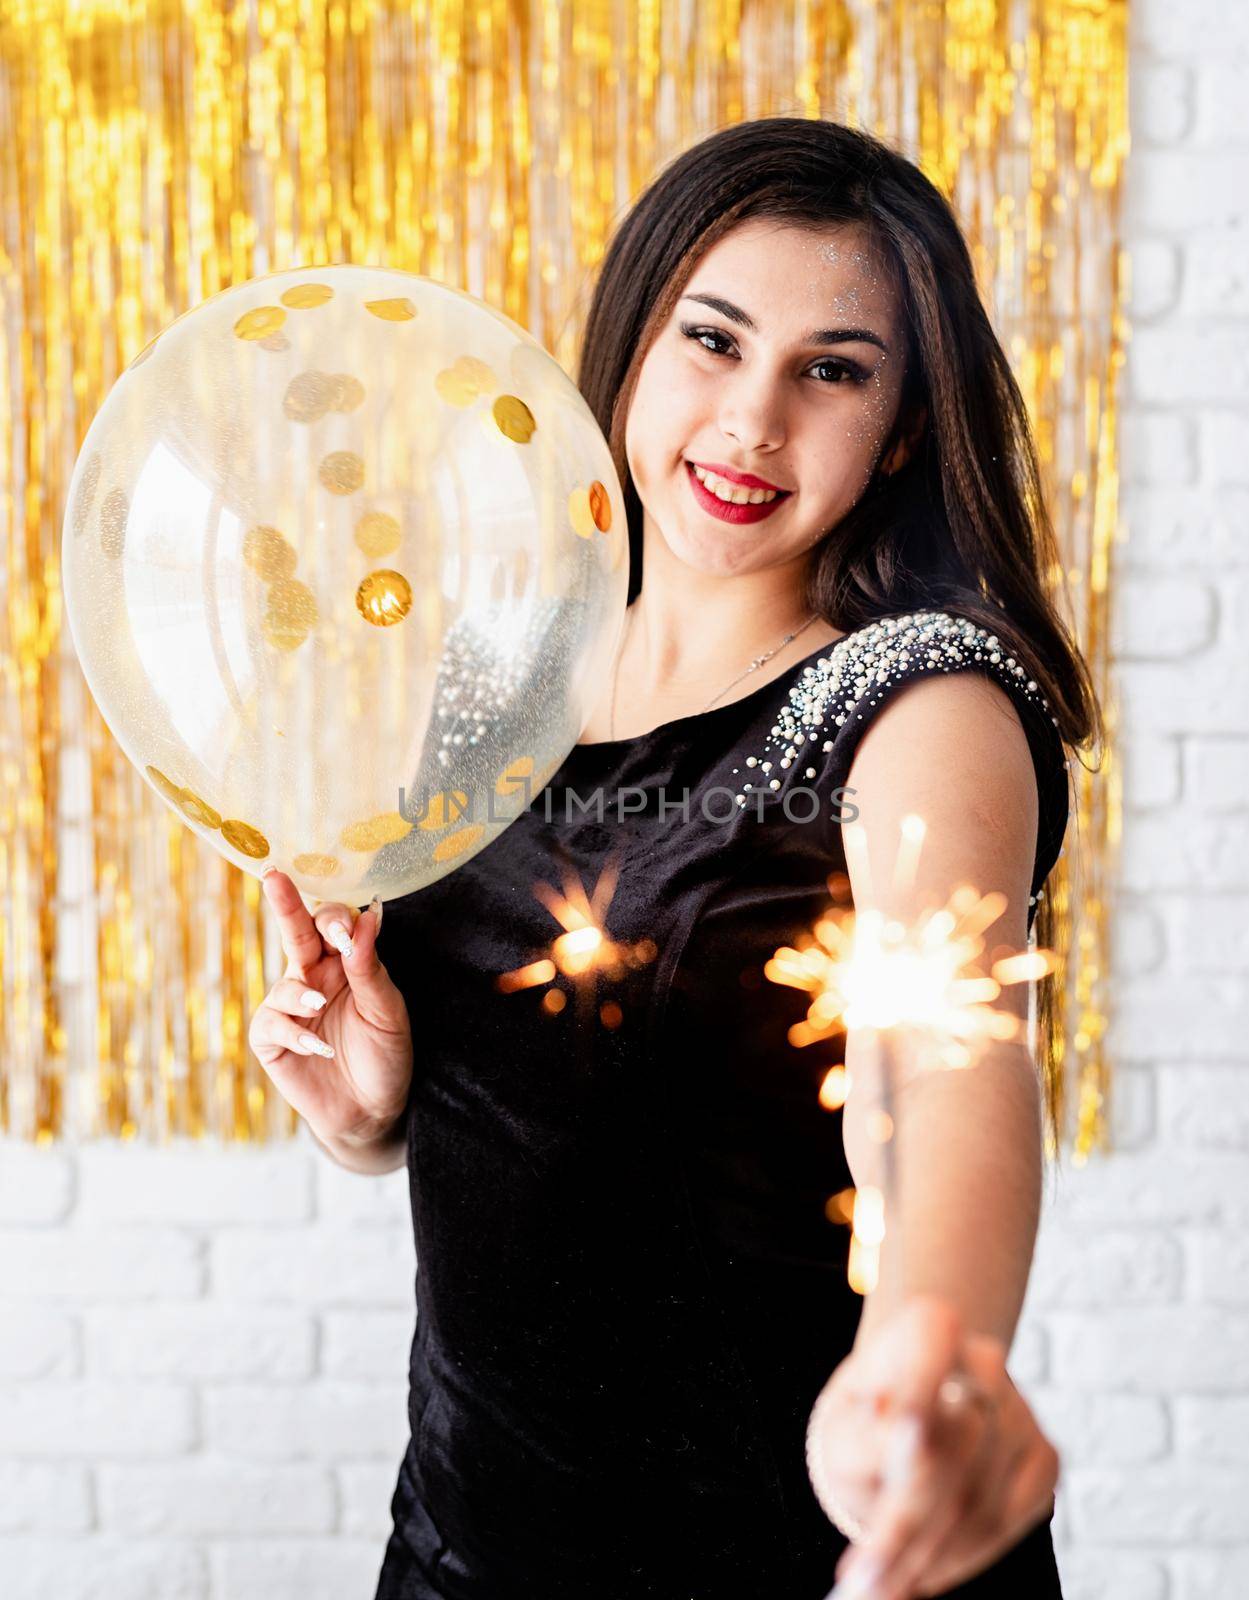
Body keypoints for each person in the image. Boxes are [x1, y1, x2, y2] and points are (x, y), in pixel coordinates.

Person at [249, 116, 1102, 1600]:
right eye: (712, 341)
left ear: (899, 428)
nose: (753, 419)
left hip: (807, 1552)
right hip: (467, 1551)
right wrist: (371, 1112)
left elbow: (942, 1062)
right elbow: (532, 1117)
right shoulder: (496, 673)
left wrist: (928, 1350)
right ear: (633, 342)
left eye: (830, 370)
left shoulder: (922, 699)